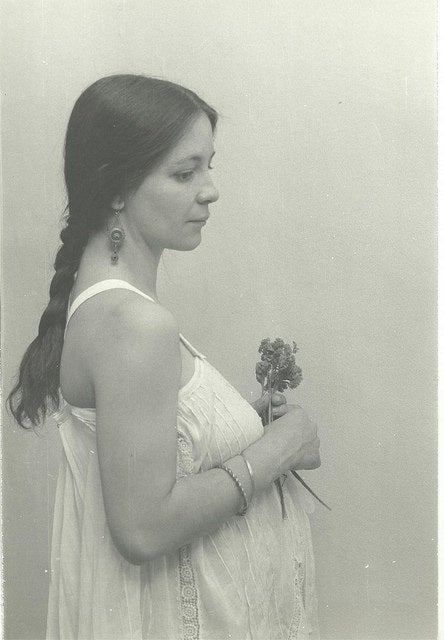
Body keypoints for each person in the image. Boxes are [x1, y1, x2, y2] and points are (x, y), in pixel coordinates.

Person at [8, 74, 321, 640]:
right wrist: (279, 448)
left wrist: (231, 426)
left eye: (209, 166)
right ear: (117, 190)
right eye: (184, 173)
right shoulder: (135, 324)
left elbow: (150, 454)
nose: (210, 190)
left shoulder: (106, 306)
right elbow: (143, 529)